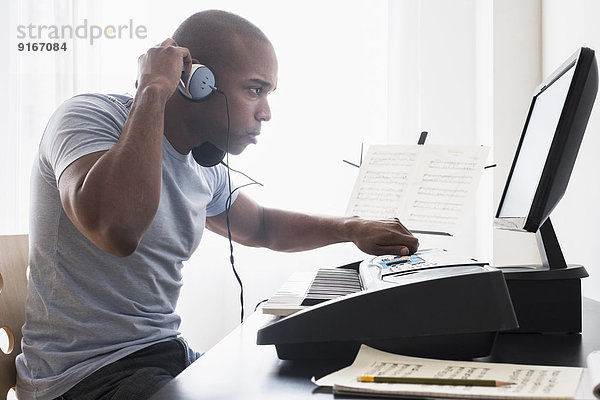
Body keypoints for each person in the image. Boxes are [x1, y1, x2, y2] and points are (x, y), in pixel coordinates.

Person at [16, 9, 419, 400]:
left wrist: (350, 228)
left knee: (301, 380)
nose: (266, 113)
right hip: (85, 380)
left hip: (165, 357)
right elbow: (115, 228)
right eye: (255, 89)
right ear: (198, 82)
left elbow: (260, 226)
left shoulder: (202, 161)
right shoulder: (88, 118)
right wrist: (154, 89)